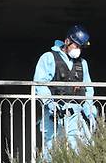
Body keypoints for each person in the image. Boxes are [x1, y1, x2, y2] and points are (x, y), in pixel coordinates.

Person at [33, 25, 96, 159]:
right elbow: (40, 83)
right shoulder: (49, 58)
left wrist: (90, 110)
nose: (78, 50)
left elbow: (88, 88)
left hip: (75, 114)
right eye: (76, 46)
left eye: (80, 47)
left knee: (79, 150)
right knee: (51, 150)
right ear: (67, 42)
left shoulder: (82, 63)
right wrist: (49, 103)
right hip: (54, 113)